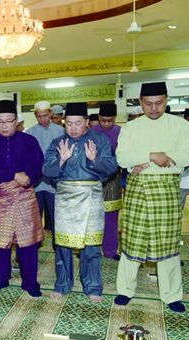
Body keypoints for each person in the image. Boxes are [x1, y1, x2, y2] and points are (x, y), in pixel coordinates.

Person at [115, 82, 189, 312]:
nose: (153, 108)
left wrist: (148, 161)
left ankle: (171, 295)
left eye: (159, 103)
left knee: (167, 244)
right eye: (148, 104)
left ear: (167, 99)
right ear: (141, 102)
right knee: (132, 242)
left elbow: (187, 156)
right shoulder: (131, 128)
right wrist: (154, 156)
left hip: (167, 190)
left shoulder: (180, 125)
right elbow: (122, 158)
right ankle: (125, 290)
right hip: (138, 190)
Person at [43, 102, 117, 302]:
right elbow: (46, 170)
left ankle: (93, 287)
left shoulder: (99, 141)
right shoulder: (58, 143)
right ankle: (62, 285)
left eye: (78, 123)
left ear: (86, 122)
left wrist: (94, 160)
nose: (73, 128)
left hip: (91, 196)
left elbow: (111, 167)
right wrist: (61, 160)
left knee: (91, 245)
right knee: (63, 245)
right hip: (65, 197)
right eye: (69, 124)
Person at [0, 100, 44, 296]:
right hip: (0, 198)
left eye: (9, 121)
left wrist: (25, 179)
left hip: (25, 196)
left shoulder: (29, 141)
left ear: (16, 121)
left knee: (28, 242)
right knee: (0, 241)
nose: (4, 125)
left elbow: (38, 166)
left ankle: (30, 282)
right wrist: (14, 175)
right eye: (0, 121)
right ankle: (1, 279)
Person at [26, 101, 65, 247]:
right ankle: (34, 246)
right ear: (35, 115)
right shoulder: (30, 133)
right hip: (36, 184)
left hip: (54, 184)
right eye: (39, 116)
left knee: (57, 217)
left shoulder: (60, 132)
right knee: (34, 218)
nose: (43, 119)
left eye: (46, 115)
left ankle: (59, 245)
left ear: (50, 114)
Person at [90, 104, 123, 260]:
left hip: (113, 180)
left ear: (115, 119)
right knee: (92, 216)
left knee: (111, 216)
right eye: (103, 120)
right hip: (94, 179)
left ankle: (110, 250)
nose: (106, 124)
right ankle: (91, 249)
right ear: (98, 118)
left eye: (110, 121)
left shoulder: (121, 133)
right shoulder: (91, 132)